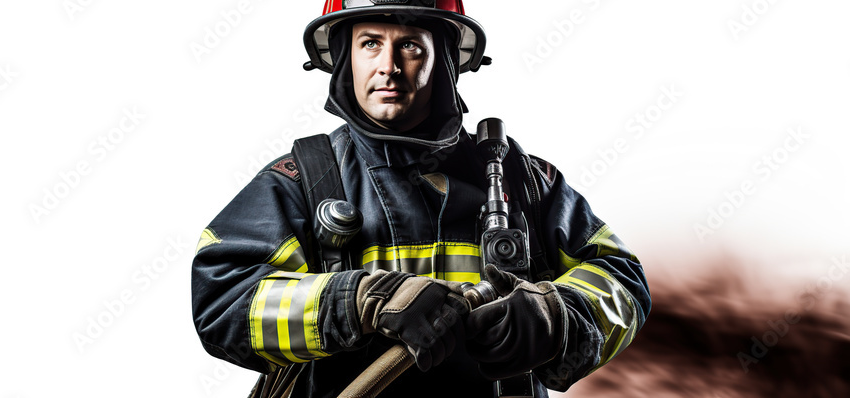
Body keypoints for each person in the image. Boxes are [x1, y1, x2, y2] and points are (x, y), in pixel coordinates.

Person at [191, 1, 651, 396]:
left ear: (446, 60)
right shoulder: (302, 181)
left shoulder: (523, 180)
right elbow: (223, 302)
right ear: (343, 59)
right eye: (369, 42)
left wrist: (556, 318)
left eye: (410, 45)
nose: (388, 65)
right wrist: (359, 300)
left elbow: (622, 282)